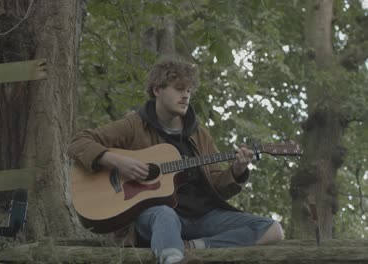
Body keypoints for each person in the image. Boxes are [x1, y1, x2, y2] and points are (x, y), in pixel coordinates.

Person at [67, 60, 284, 264]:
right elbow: (79, 142)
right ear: (157, 89)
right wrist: (116, 161)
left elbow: (218, 184)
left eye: (189, 90)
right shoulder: (134, 124)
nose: (186, 96)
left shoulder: (201, 135)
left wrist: (237, 170)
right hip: (156, 217)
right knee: (165, 213)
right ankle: (172, 256)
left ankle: (194, 246)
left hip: (202, 217)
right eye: (179, 89)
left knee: (272, 229)